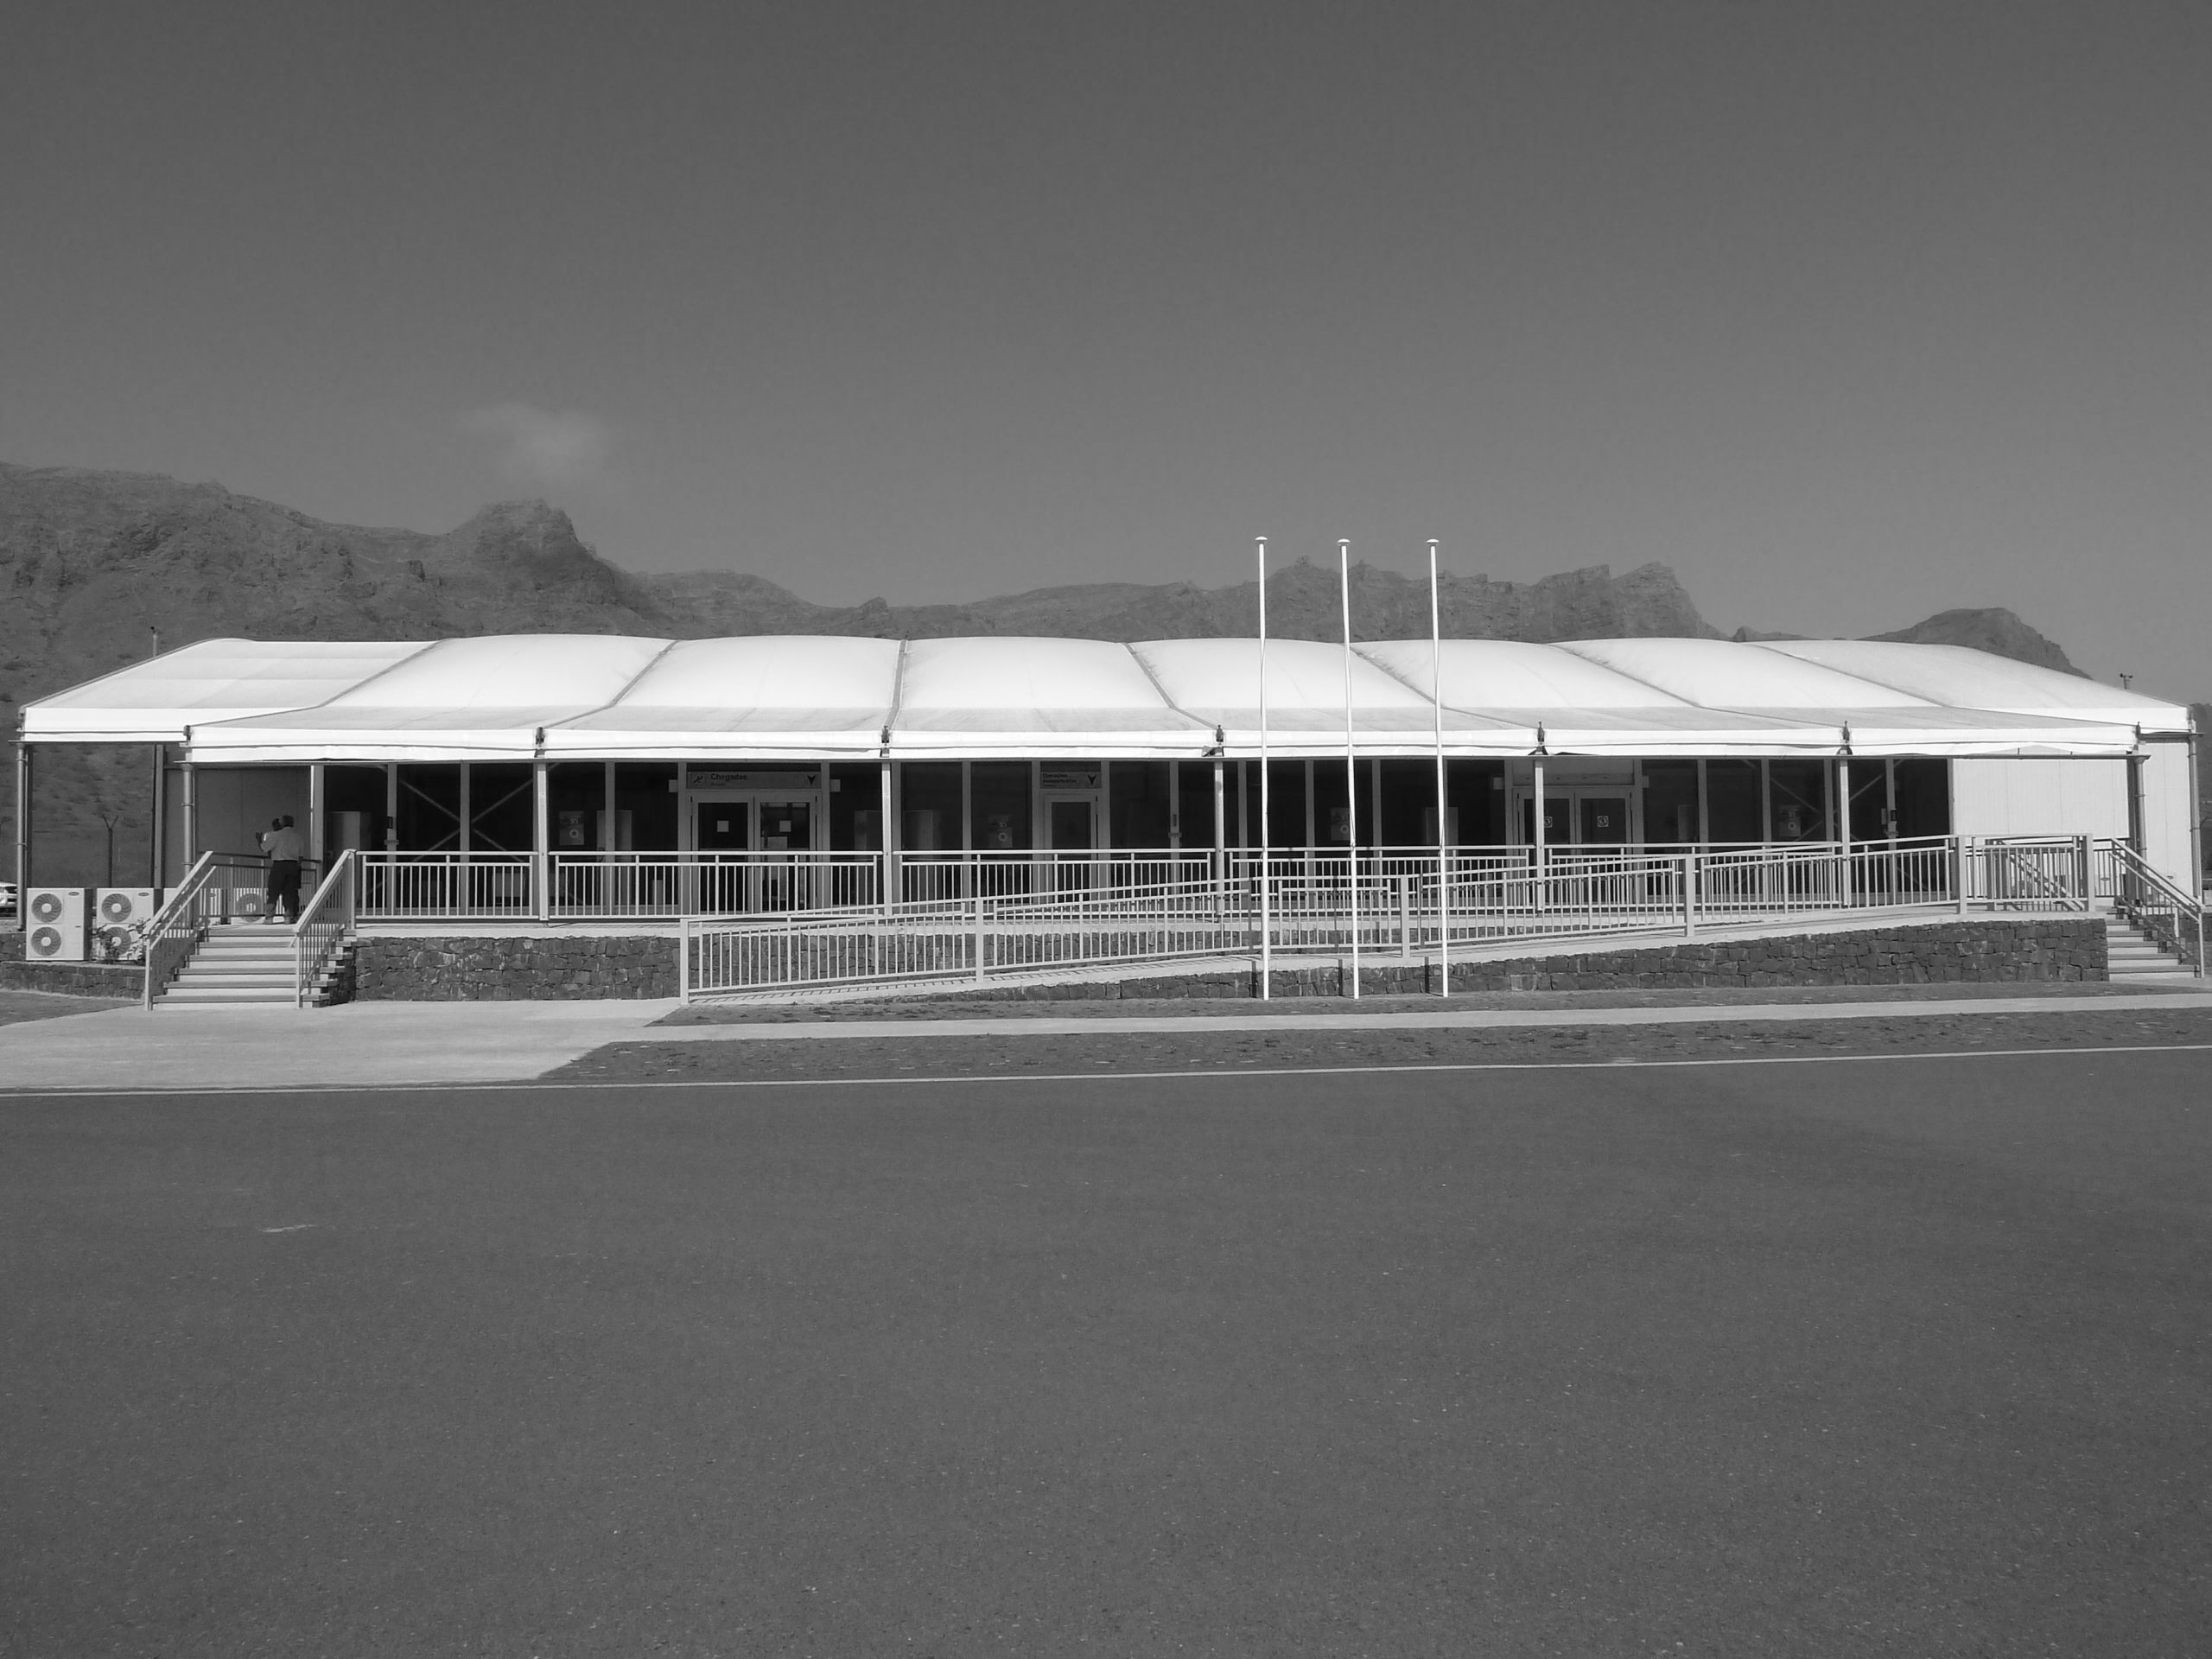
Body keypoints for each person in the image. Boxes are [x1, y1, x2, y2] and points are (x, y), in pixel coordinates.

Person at [264, 815, 306, 924]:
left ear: (282, 823)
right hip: (294, 865)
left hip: (279, 864)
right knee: (290, 892)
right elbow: (301, 855)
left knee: (273, 891)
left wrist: (259, 839)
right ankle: (289, 916)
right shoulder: (298, 837)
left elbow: (265, 848)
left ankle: (269, 917)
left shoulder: (276, 835)